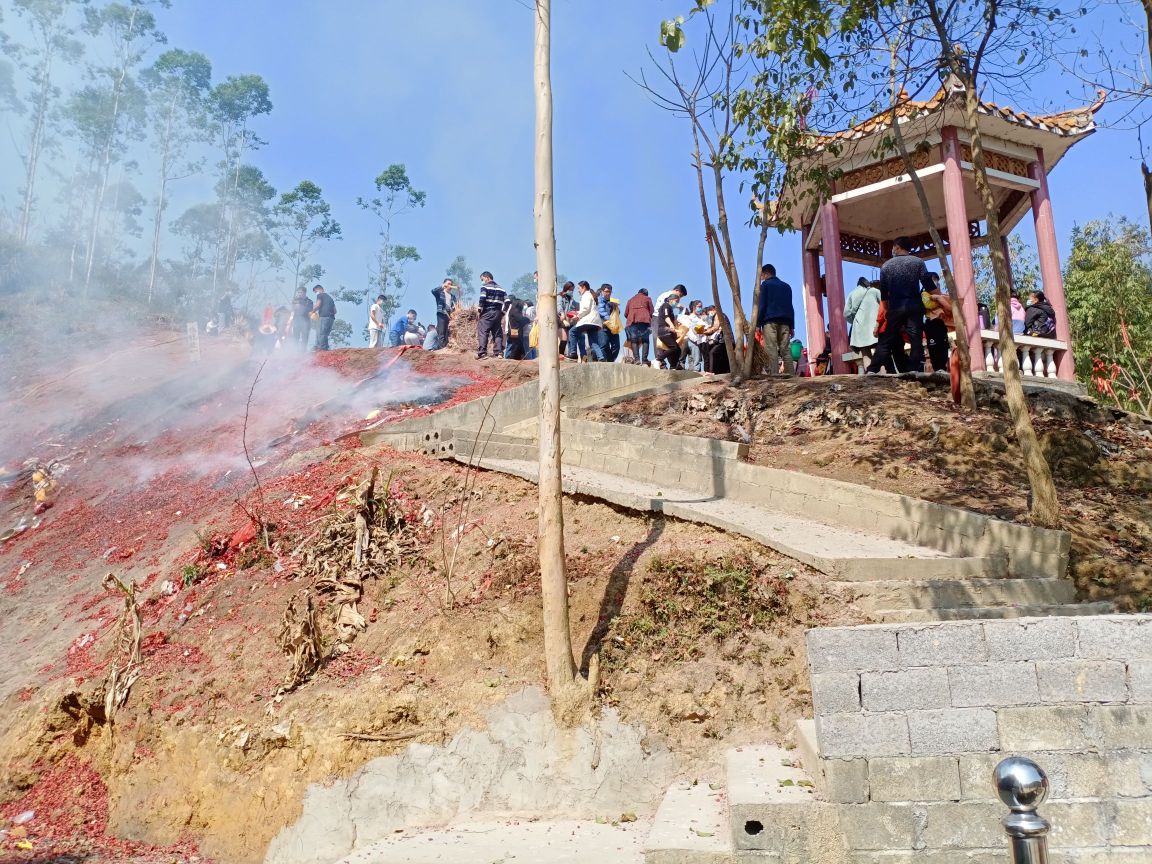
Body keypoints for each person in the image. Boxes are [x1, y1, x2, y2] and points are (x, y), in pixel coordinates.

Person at [866, 237, 932, 374]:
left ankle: (873, 369)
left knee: (886, 340)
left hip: (895, 308)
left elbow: (884, 294)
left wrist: (885, 310)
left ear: (897, 247)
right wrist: (941, 296)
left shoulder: (886, 266)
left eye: (893, 247)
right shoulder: (918, 262)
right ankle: (913, 369)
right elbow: (928, 284)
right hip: (914, 306)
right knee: (915, 339)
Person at [756, 263, 795, 376]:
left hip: (770, 321)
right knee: (785, 348)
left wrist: (758, 323)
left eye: (762, 275)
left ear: (767, 273)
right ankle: (790, 373)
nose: (762, 277)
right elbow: (790, 307)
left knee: (771, 348)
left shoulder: (765, 285)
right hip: (785, 322)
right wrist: (792, 325)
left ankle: (774, 374)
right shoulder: (786, 286)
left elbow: (762, 305)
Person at [844, 276, 882, 369]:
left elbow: (846, 314)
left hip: (859, 328)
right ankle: (883, 374)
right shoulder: (875, 291)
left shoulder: (852, 294)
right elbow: (884, 305)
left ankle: (870, 376)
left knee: (865, 354)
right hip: (875, 326)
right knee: (881, 352)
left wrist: (854, 320)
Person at [922, 273, 953, 373]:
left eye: (937, 280)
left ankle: (942, 368)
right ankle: (937, 368)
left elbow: (949, 309)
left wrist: (939, 298)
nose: (936, 282)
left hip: (940, 324)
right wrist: (940, 300)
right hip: (931, 324)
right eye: (934, 279)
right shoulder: (924, 294)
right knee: (934, 347)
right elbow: (929, 305)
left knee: (943, 346)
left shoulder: (939, 295)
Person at [571, 280, 604, 362]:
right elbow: (588, 309)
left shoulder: (586, 295)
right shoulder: (591, 295)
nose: (578, 290)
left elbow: (585, 308)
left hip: (588, 321)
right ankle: (601, 357)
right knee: (593, 342)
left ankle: (573, 353)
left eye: (579, 288)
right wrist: (577, 313)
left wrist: (577, 316)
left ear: (584, 287)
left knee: (572, 332)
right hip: (594, 322)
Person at [476, 271, 506, 359]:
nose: (482, 281)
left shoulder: (484, 287)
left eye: (482, 279)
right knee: (497, 333)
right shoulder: (502, 289)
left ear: (487, 277)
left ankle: (482, 353)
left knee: (483, 332)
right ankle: (499, 353)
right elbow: (508, 302)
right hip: (498, 313)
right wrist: (502, 313)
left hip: (487, 312)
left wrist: (479, 311)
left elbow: (482, 299)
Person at [624, 288, 654, 366]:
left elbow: (625, 314)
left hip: (632, 322)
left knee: (634, 340)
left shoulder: (630, 300)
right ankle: (644, 360)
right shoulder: (648, 298)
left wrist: (632, 316)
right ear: (646, 294)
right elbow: (652, 312)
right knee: (645, 340)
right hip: (644, 321)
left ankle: (637, 359)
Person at [654, 291, 682, 369]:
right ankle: (658, 359)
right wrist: (672, 325)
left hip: (668, 331)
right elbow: (666, 317)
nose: (676, 303)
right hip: (664, 330)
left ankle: (673, 366)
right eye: (676, 301)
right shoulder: (666, 305)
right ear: (671, 300)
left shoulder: (670, 308)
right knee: (674, 348)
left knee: (678, 350)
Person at [597, 284, 622, 362]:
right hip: (603, 327)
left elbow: (618, 313)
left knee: (616, 346)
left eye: (610, 292)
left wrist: (615, 307)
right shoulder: (599, 300)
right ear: (602, 291)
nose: (608, 293)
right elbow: (601, 311)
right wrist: (609, 320)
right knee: (604, 345)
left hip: (613, 327)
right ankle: (603, 362)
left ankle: (611, 361)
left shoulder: (612, 301)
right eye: (606, 291)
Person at [431, 278, 458, 349]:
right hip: (441, 313)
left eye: (451, 284)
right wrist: (442, 286)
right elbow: (433, 291)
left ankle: (445, 347)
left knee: (447, 332)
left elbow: (455, 306)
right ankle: (442, 348)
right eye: (448, 284)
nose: (450, 286)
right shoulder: (440, 293)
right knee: (441, 332)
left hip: (449, 315)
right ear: (444, 284)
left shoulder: (452, 296)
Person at [680, 300, 707, 372]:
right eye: (699, 307)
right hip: (692, 341)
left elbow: (706, 328)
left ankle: (695, 373)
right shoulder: (689, 318)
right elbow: (687, 330)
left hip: (700, 341)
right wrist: (695, 340)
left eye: (701, 307)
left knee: (697, 359)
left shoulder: (701, 318)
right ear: (693, 307)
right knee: (694, 359)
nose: (700, 308)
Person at [311, 284, 336, 351]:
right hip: (331, 318)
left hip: (324, 316)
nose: (316, 293)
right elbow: (335, 311)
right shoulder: (330, 298)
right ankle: (325, 348)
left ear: (319, 289)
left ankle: (321, 349)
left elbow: (318, 305)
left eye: (315, 291)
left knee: (321, 333)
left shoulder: (320, 295)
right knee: (325, 334)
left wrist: (312, 312)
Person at [557, 281, 577, 357]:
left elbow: (575, 307)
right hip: (560, 320)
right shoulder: (560, 296)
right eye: (571, 289)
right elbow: (559, 306)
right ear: (566, 288)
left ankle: (564, 355)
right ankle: (561, 355)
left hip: (568, 321)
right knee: (564, 338)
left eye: (573, 290)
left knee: (567, 339)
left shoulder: (571, 299)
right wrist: (562, 313)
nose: (572, 291)